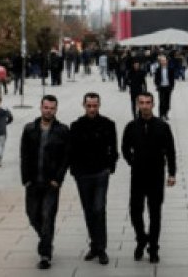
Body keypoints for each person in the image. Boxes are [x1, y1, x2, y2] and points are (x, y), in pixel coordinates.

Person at [121, 92, 176, 264]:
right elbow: (124, 148)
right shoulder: (131, 126)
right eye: (142, 103)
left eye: (148, 103)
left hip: (156, 175)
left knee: (155, 213)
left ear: (153, 104)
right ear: (137, 105)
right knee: (135, 211)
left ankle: (153, 248)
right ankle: (141, 238)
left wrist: (172, 173)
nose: (145, 106)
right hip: (137, 175)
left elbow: (171, 151)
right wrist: (133, 162)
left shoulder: (162, 126)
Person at [20, 95, 70, 270]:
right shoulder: (29, 129)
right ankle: (46, 239)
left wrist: (58, 179)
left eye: (52, 108)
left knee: (48, 216)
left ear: (56, 110)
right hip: (33, 182)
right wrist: (25, 179)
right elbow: (24, 155)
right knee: (33, 214)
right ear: (40, 108)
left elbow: (66, 158)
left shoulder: (63, 130)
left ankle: (45, 254)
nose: (48, 111)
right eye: (46, 107)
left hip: (51, 183)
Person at [69, 93, 118, 265]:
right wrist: (74, 170)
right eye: (89, 105)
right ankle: (94, 245)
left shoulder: (108, 124)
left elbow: (114, 147)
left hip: (100, 173)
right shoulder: (76, 126)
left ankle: (102, 248)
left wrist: (110, 166)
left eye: (94, 105)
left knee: (99, 208)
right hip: (82, 174)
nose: (92, 109)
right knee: (89, 210)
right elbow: (71, 150)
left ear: (99, 105)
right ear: (84, 105)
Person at [152, 53, 177, 120]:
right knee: (161, 101)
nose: (163, 62)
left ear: (166, 61)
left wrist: (172, 86)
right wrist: (157, 85)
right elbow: (156, 79)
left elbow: (172, 79)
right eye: (162, 61)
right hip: (161, 87)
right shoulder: (158, 69)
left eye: (164, 60)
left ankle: (166, 114)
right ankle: (161, 115)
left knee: (167, 102)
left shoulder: (170, 69)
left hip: (168, 87)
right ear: (160, 62)